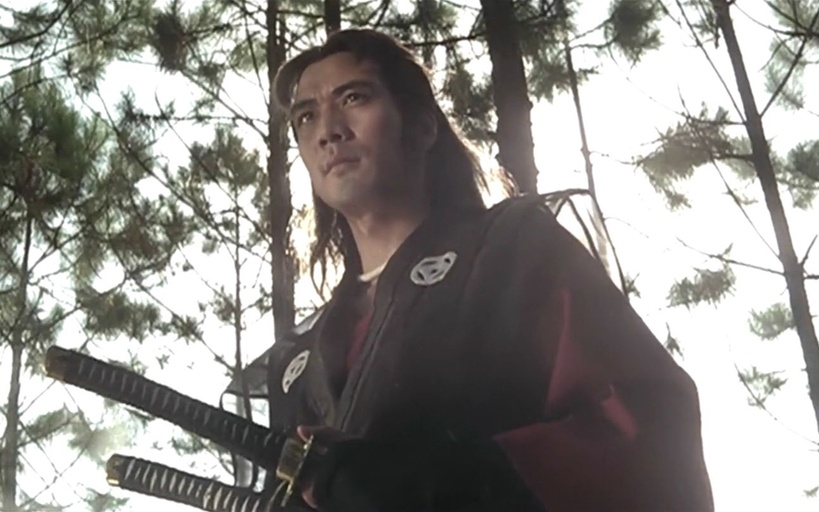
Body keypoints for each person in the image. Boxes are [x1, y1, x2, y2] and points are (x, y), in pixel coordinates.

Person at [234, 28, 714, 511]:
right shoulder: (299, 360)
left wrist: (445, 484)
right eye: (306, 116)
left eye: (354, 97)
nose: (328, 130)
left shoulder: (515, 251)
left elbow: (647, 429)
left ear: (423, 127)